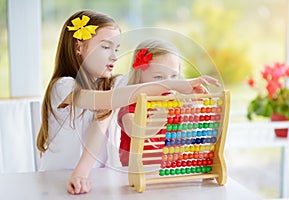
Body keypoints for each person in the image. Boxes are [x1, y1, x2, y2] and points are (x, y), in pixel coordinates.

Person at [36, 9, 220, 195]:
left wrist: (184, 90)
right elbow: (109, 100)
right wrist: (175, 83)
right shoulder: (63, 87)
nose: (115, 56)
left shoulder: (110, 85)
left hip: (94, 179)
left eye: (116, 49)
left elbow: (146, 84)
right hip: (55, 178)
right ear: (79, 47)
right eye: (106, 47)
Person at [117, 38, 212, 166]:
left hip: (169, 171)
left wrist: (191, 114)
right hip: (136, 172)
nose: (169, 84)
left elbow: (185, 138)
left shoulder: (174, 102)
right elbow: (136, 132)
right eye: (159, 77)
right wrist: (159, 119)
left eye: (174, 76)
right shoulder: (130, 104)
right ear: (139, 75)